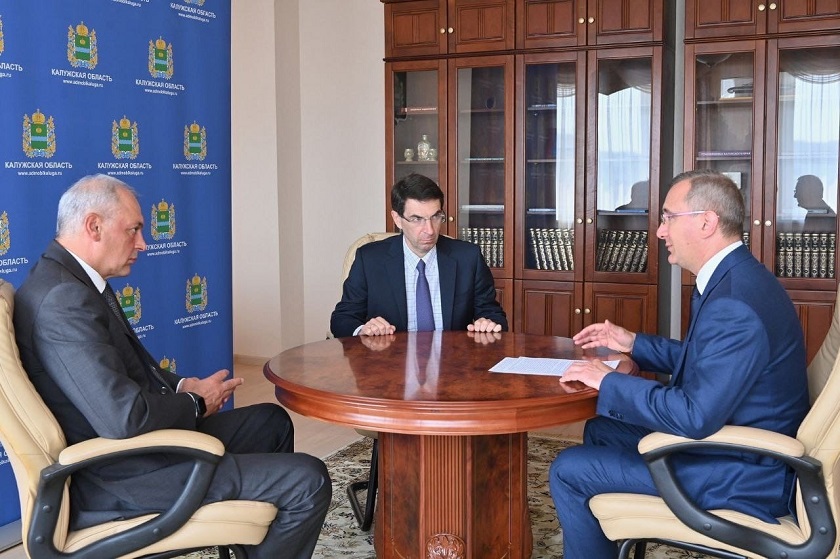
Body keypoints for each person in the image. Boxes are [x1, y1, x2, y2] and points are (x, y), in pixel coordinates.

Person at [13, 174, 331, 559]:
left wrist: (183, 387)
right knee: (309, 480)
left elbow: (129, 368)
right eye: (133, 230)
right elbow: (123, 418)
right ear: (93, 226)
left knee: (271, 422)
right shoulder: (64, 299)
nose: (143, 243)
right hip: (120, 475)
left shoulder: (72, 281)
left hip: (134, 454)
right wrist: (196, 404)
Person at [549, 169, 809, 558]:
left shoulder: (733, 303)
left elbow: (694, 415)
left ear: (706, 222)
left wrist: (607, 381)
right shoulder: (737, 279)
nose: (659, 231)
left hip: (746, 472)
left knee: (568, 469)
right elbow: (709, 362)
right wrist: (633, 343)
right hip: (737, 449)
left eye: (668, 217)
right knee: (603, 430)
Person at [330, 173, 508, 337]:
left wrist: (488, 323)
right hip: (390, 359)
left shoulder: (468, 258)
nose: (429, 230)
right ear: (397, 219)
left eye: (436, 217)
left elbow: (493, 314)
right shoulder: (369, 259)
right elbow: (342, 319)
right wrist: (363, 329)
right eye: (417, 219)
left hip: (452, 359)